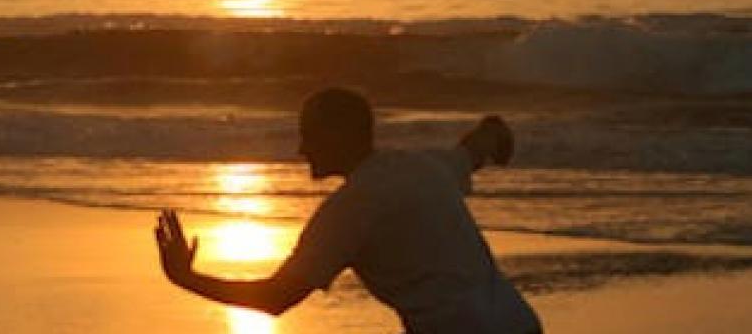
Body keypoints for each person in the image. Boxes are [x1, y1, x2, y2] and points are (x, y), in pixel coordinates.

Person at [154, 88, 541, 334]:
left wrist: (186, 278)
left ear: (339, 135)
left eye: (308, 135)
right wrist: (493, 132)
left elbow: (276, 298)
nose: (301, 149)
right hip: (519, 323)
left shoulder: (351, 208)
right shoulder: (424, 164)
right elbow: (472, 151)